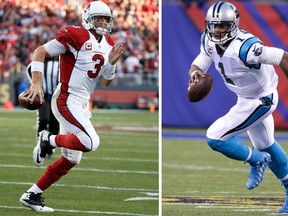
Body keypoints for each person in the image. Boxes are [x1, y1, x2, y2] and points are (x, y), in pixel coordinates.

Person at [19, 1, 124, 212]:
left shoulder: (108, 42)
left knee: (71, 158)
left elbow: (104, 82)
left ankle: (32, 195)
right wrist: (36, 82)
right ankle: (47, 138)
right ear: (87, 19)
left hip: (82, 103)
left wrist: (111, 65)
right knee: (91, 141)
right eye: (98, 18)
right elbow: (40, 52)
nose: (103, 22)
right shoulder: (75, 35)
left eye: (106, 18)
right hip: (67, 98)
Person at [188, 1, 288, 213]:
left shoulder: (247, 47)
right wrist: (194, 72)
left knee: (215, 137)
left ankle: (256, 161)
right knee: (266, 144)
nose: (216, 30)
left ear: (233, 25)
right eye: (213, 25)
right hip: (245, 98)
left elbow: (283, 57)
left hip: (262, 99)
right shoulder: (208, 39)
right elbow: (202, 59)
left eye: (222, 25)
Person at [26, 57, 60, 158]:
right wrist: (35, 84)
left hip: (57, 96)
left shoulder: (61, 61)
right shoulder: (41, 61)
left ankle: (50, 147)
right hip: (42, 96)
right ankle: (40, 144)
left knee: (55, 122)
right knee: (44, 119)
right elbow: (29, 68)